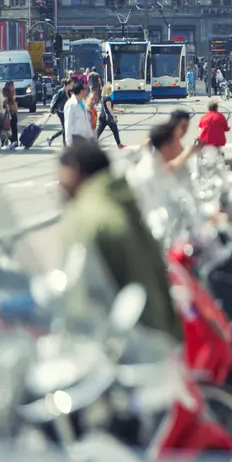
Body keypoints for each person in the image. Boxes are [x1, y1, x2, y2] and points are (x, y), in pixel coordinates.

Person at [57, 140, 182, 342]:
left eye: (61, 175)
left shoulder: (88, 216)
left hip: (126, 348)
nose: (59, 184)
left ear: (75, 170)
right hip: (158, 336)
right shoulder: (123, 201)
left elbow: (79, 299)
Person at [63, 81, 94, 146]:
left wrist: (91, 136)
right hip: (75, 138)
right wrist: (69, 142)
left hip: (85, 137)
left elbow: (86, 120)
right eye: (84, 89)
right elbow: (68, 124)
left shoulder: (83, 102)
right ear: (81, 91)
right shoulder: (71, 104)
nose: (86, 92)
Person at [95, 85, 125, 149]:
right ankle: (119, 144)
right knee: (115, 130)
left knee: (99, 131)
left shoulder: (103, 97)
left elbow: (109, 107)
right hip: (108, 117)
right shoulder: (108, 98)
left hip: (102, 116)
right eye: (110, 89)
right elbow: (109, 108)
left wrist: (119, 110)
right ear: (108, 90)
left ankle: (92, 143)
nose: (111, 91)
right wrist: (113, 117)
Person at [1, 81, 19, 150]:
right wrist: (8, 107)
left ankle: (14, 141)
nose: (13, 87)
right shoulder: (6, 93)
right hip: (9, 113)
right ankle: (12, 141)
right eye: (12, 86)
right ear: (8, 86)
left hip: (13, 112)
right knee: (8, 128)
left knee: (12, 128)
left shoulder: (11, 93)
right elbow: (6, 102)